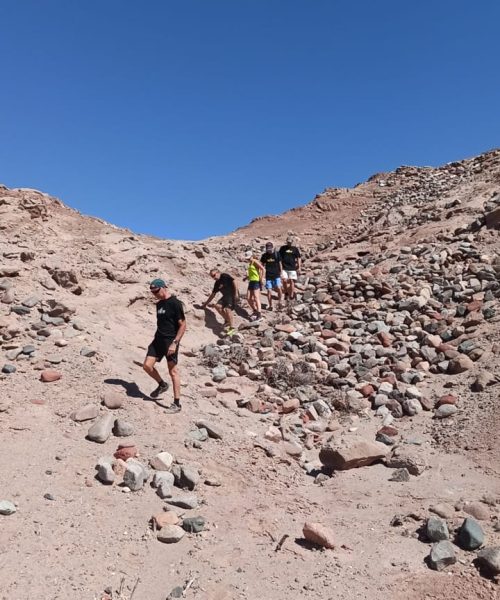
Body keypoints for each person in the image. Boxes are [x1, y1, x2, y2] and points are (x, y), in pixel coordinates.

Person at [143, 278, 186, 413]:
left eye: (156, 291)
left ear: (163, 288)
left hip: (170, 341)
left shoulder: (175, 303)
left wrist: (175, 343)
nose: (155, 294)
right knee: (147, 366)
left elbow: (183, 325)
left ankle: (177, 404)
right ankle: (162, 385)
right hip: (158, 340)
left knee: (173, 372)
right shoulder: (159, 304)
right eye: (153, 292)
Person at [202, 268, 238, 334]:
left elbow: (234, 281)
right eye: (212, 276)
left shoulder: (224, 276)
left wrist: (236, 293)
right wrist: (205, 304)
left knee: (227, 309)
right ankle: (227, 321)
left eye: (214, 275)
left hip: (232, 295)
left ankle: (232, 327)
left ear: (218, 272)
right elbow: (213, 294)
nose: (213, 278)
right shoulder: (217, 283)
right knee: (217, 306)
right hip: (225, 296)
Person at [260, 241, 283, 311]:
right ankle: (270, 305)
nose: (269, 249)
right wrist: (261, 276)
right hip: (268, 276)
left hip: (276, 274)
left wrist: (281, 272)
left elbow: (280, 263)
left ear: (272, 247)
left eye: (270, 247)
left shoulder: (277, 254)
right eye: (267, 247)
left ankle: (280, 301)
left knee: (279, 287)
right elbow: (261, 266)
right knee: (269, 291)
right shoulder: (264, 256)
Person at [279, 236, 302, 301]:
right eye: (288, 242)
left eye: (290, 242)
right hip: (284, 268)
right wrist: (280, 268)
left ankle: (291, 295)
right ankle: (286, 293)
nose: (289, 243)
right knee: (284, 281)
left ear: (292, 242)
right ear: (286, 241)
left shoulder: (295, 249)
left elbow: (299, 258)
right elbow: (279, 259)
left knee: (292, 281)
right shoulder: (282, 248)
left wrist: (299, 267)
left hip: (292, 268)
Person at [245, 250, 264, 320]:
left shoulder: (255, 261)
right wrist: (246, 277)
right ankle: (255, 310)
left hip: (256, 281)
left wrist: (261, 278)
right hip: (251, 281)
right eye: (247, 258)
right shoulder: (250, 263)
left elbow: (263, 269)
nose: (248, 259)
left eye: (249, 258)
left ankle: (259, 315)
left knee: (256, 297)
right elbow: (253, 273)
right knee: (248, 298)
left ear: (252, 256)